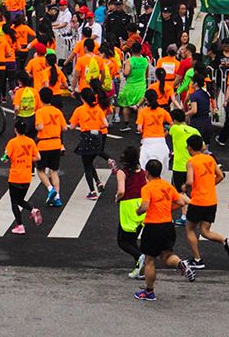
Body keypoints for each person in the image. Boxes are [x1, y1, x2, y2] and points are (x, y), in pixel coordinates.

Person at [134, 159, 196, 301]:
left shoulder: (147, 188)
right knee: (167, 255)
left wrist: (138, 211)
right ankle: (181, 263)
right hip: (168, 226)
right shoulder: (167, 186)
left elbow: (144, 206)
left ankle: (149, 292)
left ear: (147, 173)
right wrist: (167, 209)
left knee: (150, 260)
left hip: (153, 227)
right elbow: (180, 202)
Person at [182, 135, 229, 268]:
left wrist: (184, 187)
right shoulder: (210, 159)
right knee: (205, 231)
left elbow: (189, 181)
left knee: (189, 229)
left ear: (189, 147)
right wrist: (210, 185)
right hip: (211, 201)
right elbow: (220, 175)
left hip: (198, 201)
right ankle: (225, 240)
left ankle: (197, 259)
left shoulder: (191, 162)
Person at [68, 87, 114, 200]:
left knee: (87, 165)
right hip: (97, 137)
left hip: (86, 138)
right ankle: (98, 182)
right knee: (90, 162)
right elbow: (106, 124)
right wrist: (97, 127)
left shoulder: (79, 110)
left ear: (82, 98)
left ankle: (92, 191)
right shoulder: (98, 109)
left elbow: (72, 126)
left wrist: (80, 125)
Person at [2, 119, 43, 234]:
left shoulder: (12, 142)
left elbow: (5, 159)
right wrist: (28, 159)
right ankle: (32, 209)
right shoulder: (30, 142)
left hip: (15, 176)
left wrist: (6, 158)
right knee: (20, 200)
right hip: (27, 176)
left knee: (14, 202)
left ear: (15, 130)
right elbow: (38, 157)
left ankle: (20, 225)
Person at [115, 145, 148, 278]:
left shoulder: (122, 173)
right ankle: (139, 269)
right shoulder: (142, 172)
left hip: (128, 208)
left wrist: (117, 198)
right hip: (140, 206)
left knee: (122, 241)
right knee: (133, 240)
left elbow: (121, 191)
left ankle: (140, 256)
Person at [34, 87, 67, 208]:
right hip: (56, 144)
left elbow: (40, 127)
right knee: (54, 171)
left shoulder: (39, 112)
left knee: (40, 170)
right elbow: (64, 128)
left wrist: (37, 127)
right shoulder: (58, 112)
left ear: (41, 98)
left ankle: (50, 188)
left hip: (43, 144)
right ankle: (57, 197)